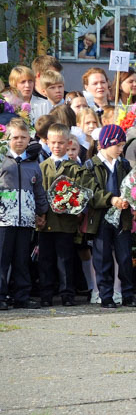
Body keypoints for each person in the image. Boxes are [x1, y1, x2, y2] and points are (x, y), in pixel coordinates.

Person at [85, 124, 136, 309]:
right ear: (105, 144)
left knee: (125, 258)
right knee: (103, 259)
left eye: (123, 145)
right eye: (118, 145)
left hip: (122, 219)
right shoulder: (91, 165)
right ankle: (106, 295)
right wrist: (111, 199)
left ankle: (128, 294)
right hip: (100, 220)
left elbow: (131, 185)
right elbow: (91, 192)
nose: (121, 149)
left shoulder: (123, 164)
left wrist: (130, 199)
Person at [38, 123, 93, 307]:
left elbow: (81, 193)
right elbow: (39, 192)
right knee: (46, 260)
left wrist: (76, 208)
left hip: (67, 222)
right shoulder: (42, 167)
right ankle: (46, 294)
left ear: (68, 143)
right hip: (45, 223)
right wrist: (41, 213)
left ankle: (67, 294)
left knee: (65, 259)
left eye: (61, 143)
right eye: (53, 143)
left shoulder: (75, 168)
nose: (57, 146)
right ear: (47, 142)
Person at [0, 119, 48, 310]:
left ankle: (22, 295)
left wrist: (42, 211)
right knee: (2, 260)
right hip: (4, 220)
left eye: (23, 137)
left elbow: (39, 190)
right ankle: (1, 295)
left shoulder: (33, 163)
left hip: (25, 219)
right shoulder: (3, 161)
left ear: (29, 138)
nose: (19, 141)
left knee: (22, 260)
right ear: (7, 139)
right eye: (15, 137)